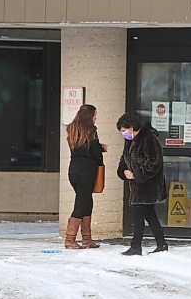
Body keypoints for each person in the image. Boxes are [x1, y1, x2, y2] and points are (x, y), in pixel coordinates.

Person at [116, 114, 168, 256]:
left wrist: (138, 174)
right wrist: (124, 170)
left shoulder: (149, 138)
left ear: (132, 127)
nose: (123, 133)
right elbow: (124, 159)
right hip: (136, 184)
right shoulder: (130, 140)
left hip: (147, 184)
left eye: (124, 130)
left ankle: (136, 246)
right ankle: (161, 243)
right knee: (149, 215)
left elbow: (155, 162)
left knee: (138, 214)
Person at [65, 104, 107, 249]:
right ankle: (70, 239)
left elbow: (81, 148)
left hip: (74, 171)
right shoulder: (91, 131)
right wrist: (101, 153)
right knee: (81, 205)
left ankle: (87, 239)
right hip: (87, 172)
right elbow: (95, 153)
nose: (96, 118)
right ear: (90, 117)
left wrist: (98, 147)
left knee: (86, 202)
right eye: (95, 116)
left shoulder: (72, 130)